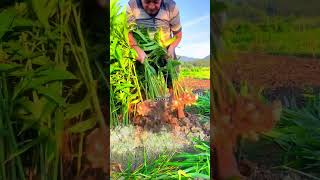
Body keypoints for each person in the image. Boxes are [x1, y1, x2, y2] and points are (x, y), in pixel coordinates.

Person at [126, 0, 184, 118]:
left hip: (165, 49)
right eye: (147, 2)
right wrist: (137, 49)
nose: (152, 6)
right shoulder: (132, 5)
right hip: (143, 50)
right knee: (142, 82)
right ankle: (142, 113)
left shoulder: (171, 7)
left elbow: (178, 35)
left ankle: (180, 112)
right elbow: (129, 33)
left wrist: (171, 47)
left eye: (156, 2)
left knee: (173, 79)